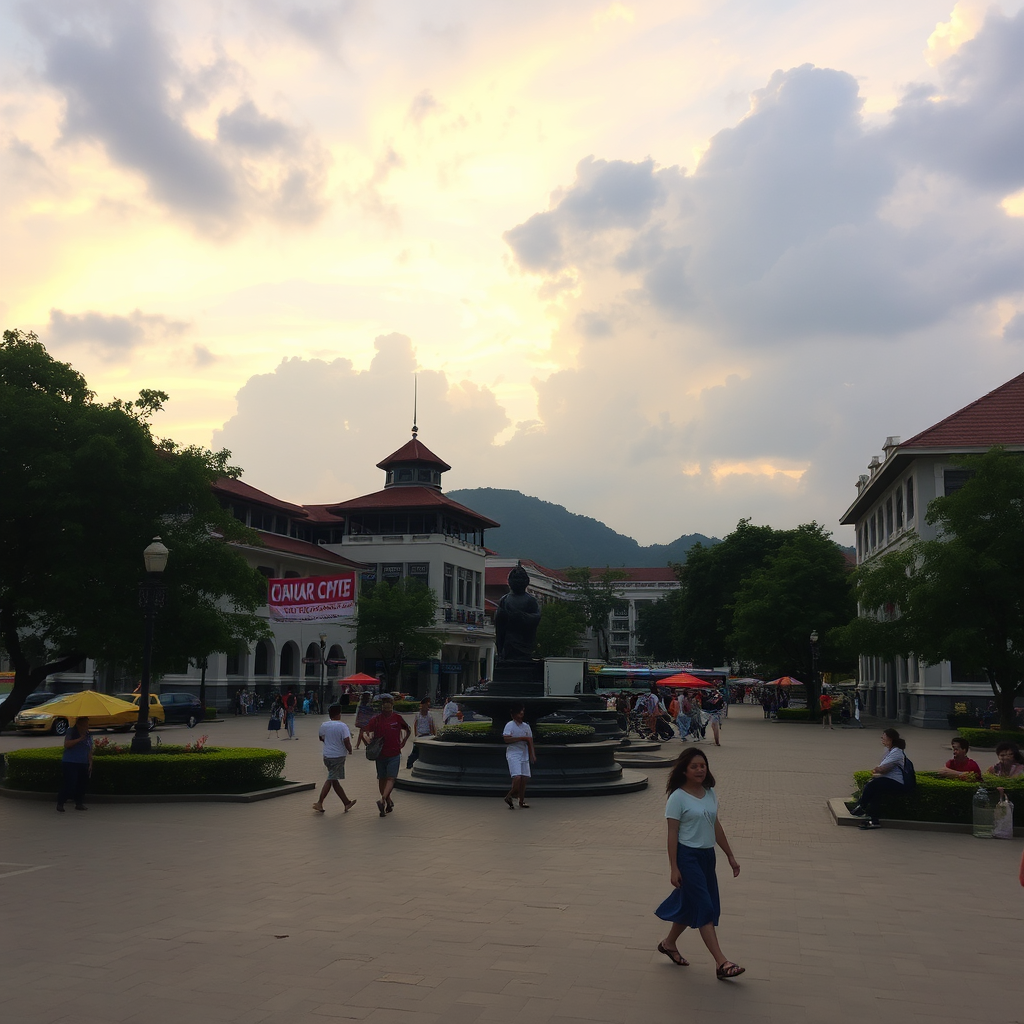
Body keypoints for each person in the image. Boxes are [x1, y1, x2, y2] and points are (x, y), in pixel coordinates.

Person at [655, 747, 744, 980]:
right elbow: (672, 834)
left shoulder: (709, 792)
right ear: (684, 770)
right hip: (687, 857)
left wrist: (730, 856)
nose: (700, 770)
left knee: (689, 905)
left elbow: (715, 826)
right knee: (705, 906)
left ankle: (668, 944)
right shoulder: (677, 798)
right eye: (694, 766)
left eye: (702, 765)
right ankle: (721, 963)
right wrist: (674, 867)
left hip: (707, 857)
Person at [359, 694, 410, 817]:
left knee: (384, 779)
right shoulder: (382, 719)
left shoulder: (394, 718)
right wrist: (368, 742)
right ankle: (384, 799)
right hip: (385, 754)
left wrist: (403, 741)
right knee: (389, 779)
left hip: (390, 753)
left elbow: (407, 729)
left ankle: (386, 800)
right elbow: (364, 732)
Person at [849, 728, 907, 830]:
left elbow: (883, 769)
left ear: (890, 739)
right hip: (888, 780)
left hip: (896, 782)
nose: (882, 739)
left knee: (872, 785)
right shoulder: (889, 750)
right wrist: (877, 770)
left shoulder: (896, 752)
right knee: (875, 793)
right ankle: (874, 821)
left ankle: (861, 806)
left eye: (883, 737)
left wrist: (877, 770)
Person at [312, 705, 357, 814]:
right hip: (338, 756)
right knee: (331, 778)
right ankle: (319, 802)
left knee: (334, 779)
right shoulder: (342, 726)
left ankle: (346, 802)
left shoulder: (324, 725)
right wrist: (350, 750)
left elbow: (321, 738)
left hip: (327, 755)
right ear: (339, 714)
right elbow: (346, 740)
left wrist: (329, 744)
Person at [502, 703, 536, 808]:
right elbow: (506, 739)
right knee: (517, 777)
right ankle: (511, 795)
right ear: (513, 715)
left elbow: (530, 740)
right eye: (519, 713)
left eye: (522, 712)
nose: (521, 715)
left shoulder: (526, 726)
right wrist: (521, 738)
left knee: (524, 778)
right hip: (513, 752)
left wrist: (532, 754)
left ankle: (520, 800)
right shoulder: (510, 725)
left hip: (524, 753)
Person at [57, 716, 93, 812]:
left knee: (82, 784)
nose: (86, 726)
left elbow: (89, 748)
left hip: (83, 762)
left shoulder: (88, 734)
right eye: (84, 724)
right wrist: (80, 739)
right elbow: (67, 744)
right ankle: (61, 802)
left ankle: (79, 803)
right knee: (70, 783)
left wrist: (90, 762)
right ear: (78, 724)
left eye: (87, 724)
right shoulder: (71, 731)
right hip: (70, 761)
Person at [406, 696, 437, 769]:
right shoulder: (418, 715)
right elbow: (415, 725)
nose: (426, 708)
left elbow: (432, 726)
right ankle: (409, 764)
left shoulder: (429, 716)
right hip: (420, 736)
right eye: (425, 706)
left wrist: (433, 736)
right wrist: (416, 735)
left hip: (428, 735)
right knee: (415, 752)